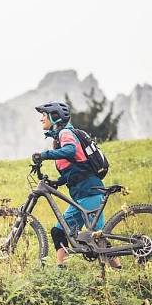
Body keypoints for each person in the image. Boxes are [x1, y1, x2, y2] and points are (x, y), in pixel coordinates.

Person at [32, 102, 120, 269]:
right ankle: (60, 273)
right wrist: (57, 182)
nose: (41, 118)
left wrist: (44, 155)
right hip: (80, 196)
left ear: (55, 116)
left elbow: (71, 151)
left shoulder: (65, 133)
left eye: (44, 114)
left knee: (98, 238)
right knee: (59, 231)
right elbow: (75, 170)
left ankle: (118, 270)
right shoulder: (59, 137)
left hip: (89, 192)